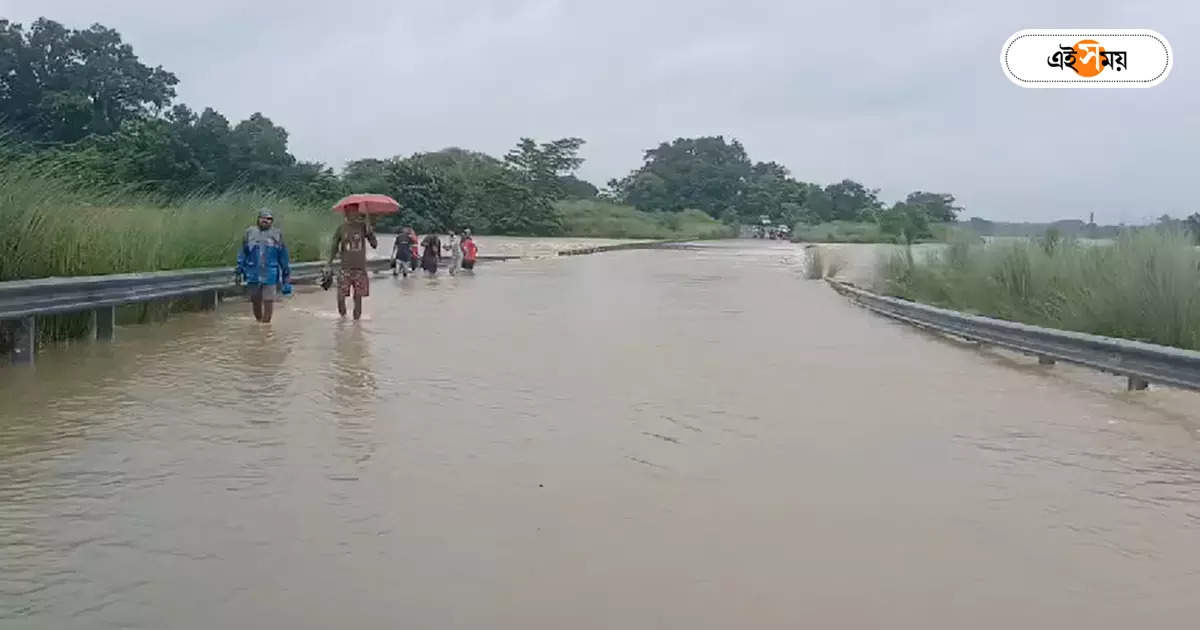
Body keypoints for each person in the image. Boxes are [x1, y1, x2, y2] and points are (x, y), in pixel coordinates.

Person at [236, 208, 290, 323]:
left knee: (268, 300)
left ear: (272, 221)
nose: (265, 221)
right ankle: (259, 322)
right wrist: (239, 270)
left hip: (270, 273)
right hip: (253, 273)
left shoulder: (277, 234)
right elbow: (243, 252)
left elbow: (283, 255)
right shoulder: (249, 232)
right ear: (258, 219)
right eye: (263, 218)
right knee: (255, 300)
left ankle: (266, 326)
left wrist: (286, 276)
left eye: (269, 219)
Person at [326, 204, 378, 320]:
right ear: (345, 213)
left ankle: (356, 325)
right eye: (348, 211)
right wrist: (328, 264)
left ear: (357, 212)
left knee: (358, 298)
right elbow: (334, 247)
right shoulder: (341, 228)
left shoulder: (363, 227)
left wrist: (370, 233)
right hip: (345, 268)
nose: (351, 214)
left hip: (360, 269)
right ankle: (342, 318)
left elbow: (374, 245)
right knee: (340, 297)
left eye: (354, 211)